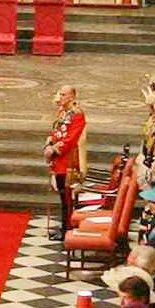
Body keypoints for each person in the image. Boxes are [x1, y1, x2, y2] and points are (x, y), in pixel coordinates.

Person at [45, 84, 89, 215]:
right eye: (60, 94)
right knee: (62, 195)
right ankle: (64, 226)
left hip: (68, 161)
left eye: (63, 95)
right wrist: (49, 144)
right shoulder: (62, 112)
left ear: (72, 97)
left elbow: (71, 139)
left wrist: (54, 149)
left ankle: (67, 227)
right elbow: (56, 131)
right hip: (58, 161)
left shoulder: (77, 115)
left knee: (67, 198)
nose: (60, 97)